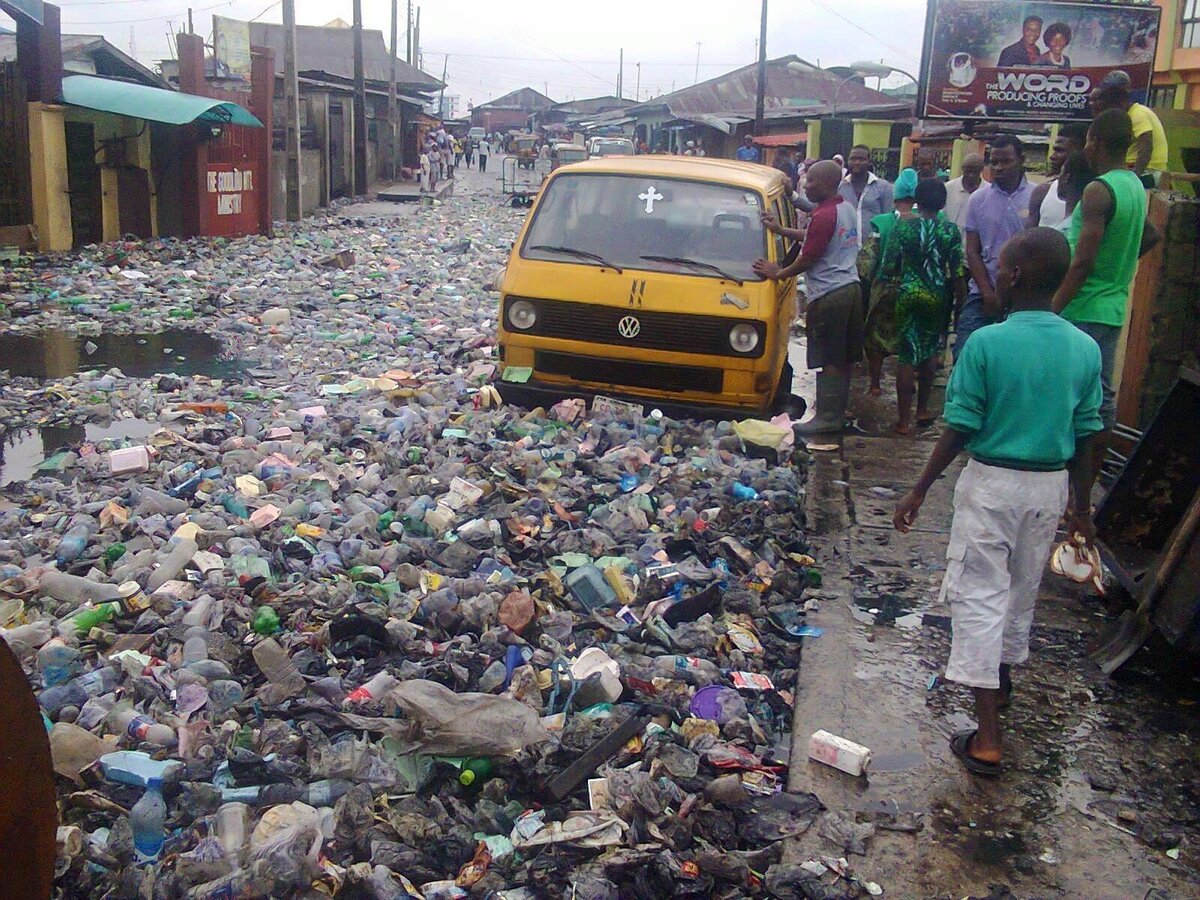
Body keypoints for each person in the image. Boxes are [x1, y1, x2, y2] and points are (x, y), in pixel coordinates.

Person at [893, 227, 1103, 777]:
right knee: (1019, 591)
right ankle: (1001, 686)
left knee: (981, 596)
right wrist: (1082, 509)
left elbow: (960, 426)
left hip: (993, 485)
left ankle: (987, 737)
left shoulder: (986, 343)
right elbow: (1088, 434)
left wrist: (920, 487)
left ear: (1011, 276)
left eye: (1001, 266)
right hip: (1049, 487)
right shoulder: (1084, 348)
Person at [1052, 109, 1161, 495]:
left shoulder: (1098, 189)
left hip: (1082, 309)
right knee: (1097, 399)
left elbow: (1083, 260)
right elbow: (1151, 235)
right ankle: (1080, 491)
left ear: (1093, 141)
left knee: (1077, 404)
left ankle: (1073, 491)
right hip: (1111, 306)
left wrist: (1050, 310)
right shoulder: (1132, 184)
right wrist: (1122, 266)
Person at [753, 160, 862, 435]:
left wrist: (779, 272)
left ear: (825, 185)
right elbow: (814, 236)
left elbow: (809, 257)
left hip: (829, 294)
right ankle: (835, 413)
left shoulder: (825, 216)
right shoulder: (844, 209)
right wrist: (781, 230)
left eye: (810, 182)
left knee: (829, 359)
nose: (806, 185)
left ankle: (826, 417)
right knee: (842, 357)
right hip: (850, 288)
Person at [880, 178, 967, 434]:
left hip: (908, 292)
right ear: (942, 202)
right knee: (930, 351)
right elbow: (958, 271)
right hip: (937, 295)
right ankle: (922, 409)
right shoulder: (949, 231)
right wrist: (960, 303)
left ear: (916, 200)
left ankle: (904, 421)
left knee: (907, 355)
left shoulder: (902, 226)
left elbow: (889, 265)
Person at [959, 133, 1035, 358]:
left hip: (1023, 297)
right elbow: (972, 250)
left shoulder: (1036, 197)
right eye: (994, 162)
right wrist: (988, 293)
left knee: (1014, 360)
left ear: (1021, 160)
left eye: (1006, 161)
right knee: (965, 355)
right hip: (983, 293)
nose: (999, 168)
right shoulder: (978, 200)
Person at [861, 168, 919, 397]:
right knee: (910, 339)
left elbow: (867, 262)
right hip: (916, 289)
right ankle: (909, 384)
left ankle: (875, 383)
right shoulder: (935, 221)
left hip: (885, 291)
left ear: (895, 198)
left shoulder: (882, 222)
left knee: (876, 339)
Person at [1090, 70, 1168, 184]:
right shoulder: (1130, 114)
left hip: (1148, 172)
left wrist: (1134, 178)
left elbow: (1146, 145)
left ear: (1121, 101)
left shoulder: (1137, 114)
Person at [1028, 122, 1089, 229]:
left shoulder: (1098, 194)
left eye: (1060, 150)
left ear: (1081, 152)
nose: (1052, 157)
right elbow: (1028, 238)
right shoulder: (1043, 192)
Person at [838, 145, 894, 247]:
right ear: (847, 161)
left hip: (873, 248)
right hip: (844, 249)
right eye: (853, 159)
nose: (857, 162)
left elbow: (888, 218)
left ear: (869, 161)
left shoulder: (883, 187)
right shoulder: (839, 187)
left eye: (861, 159)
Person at [1049, 152, 1095, 235]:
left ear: (1067, 177)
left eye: (1061, 173)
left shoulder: (1065, 231)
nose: (1058, 178)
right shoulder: (1093, 226)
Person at [944, 153, 984, 244]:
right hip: (951, 245)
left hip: (977, 248)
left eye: (975, 171)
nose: (971, 175)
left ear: (981, 169)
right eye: (968, 171)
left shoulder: (988, 192)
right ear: (962, 169)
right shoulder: (949, 187)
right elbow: (942, 215)